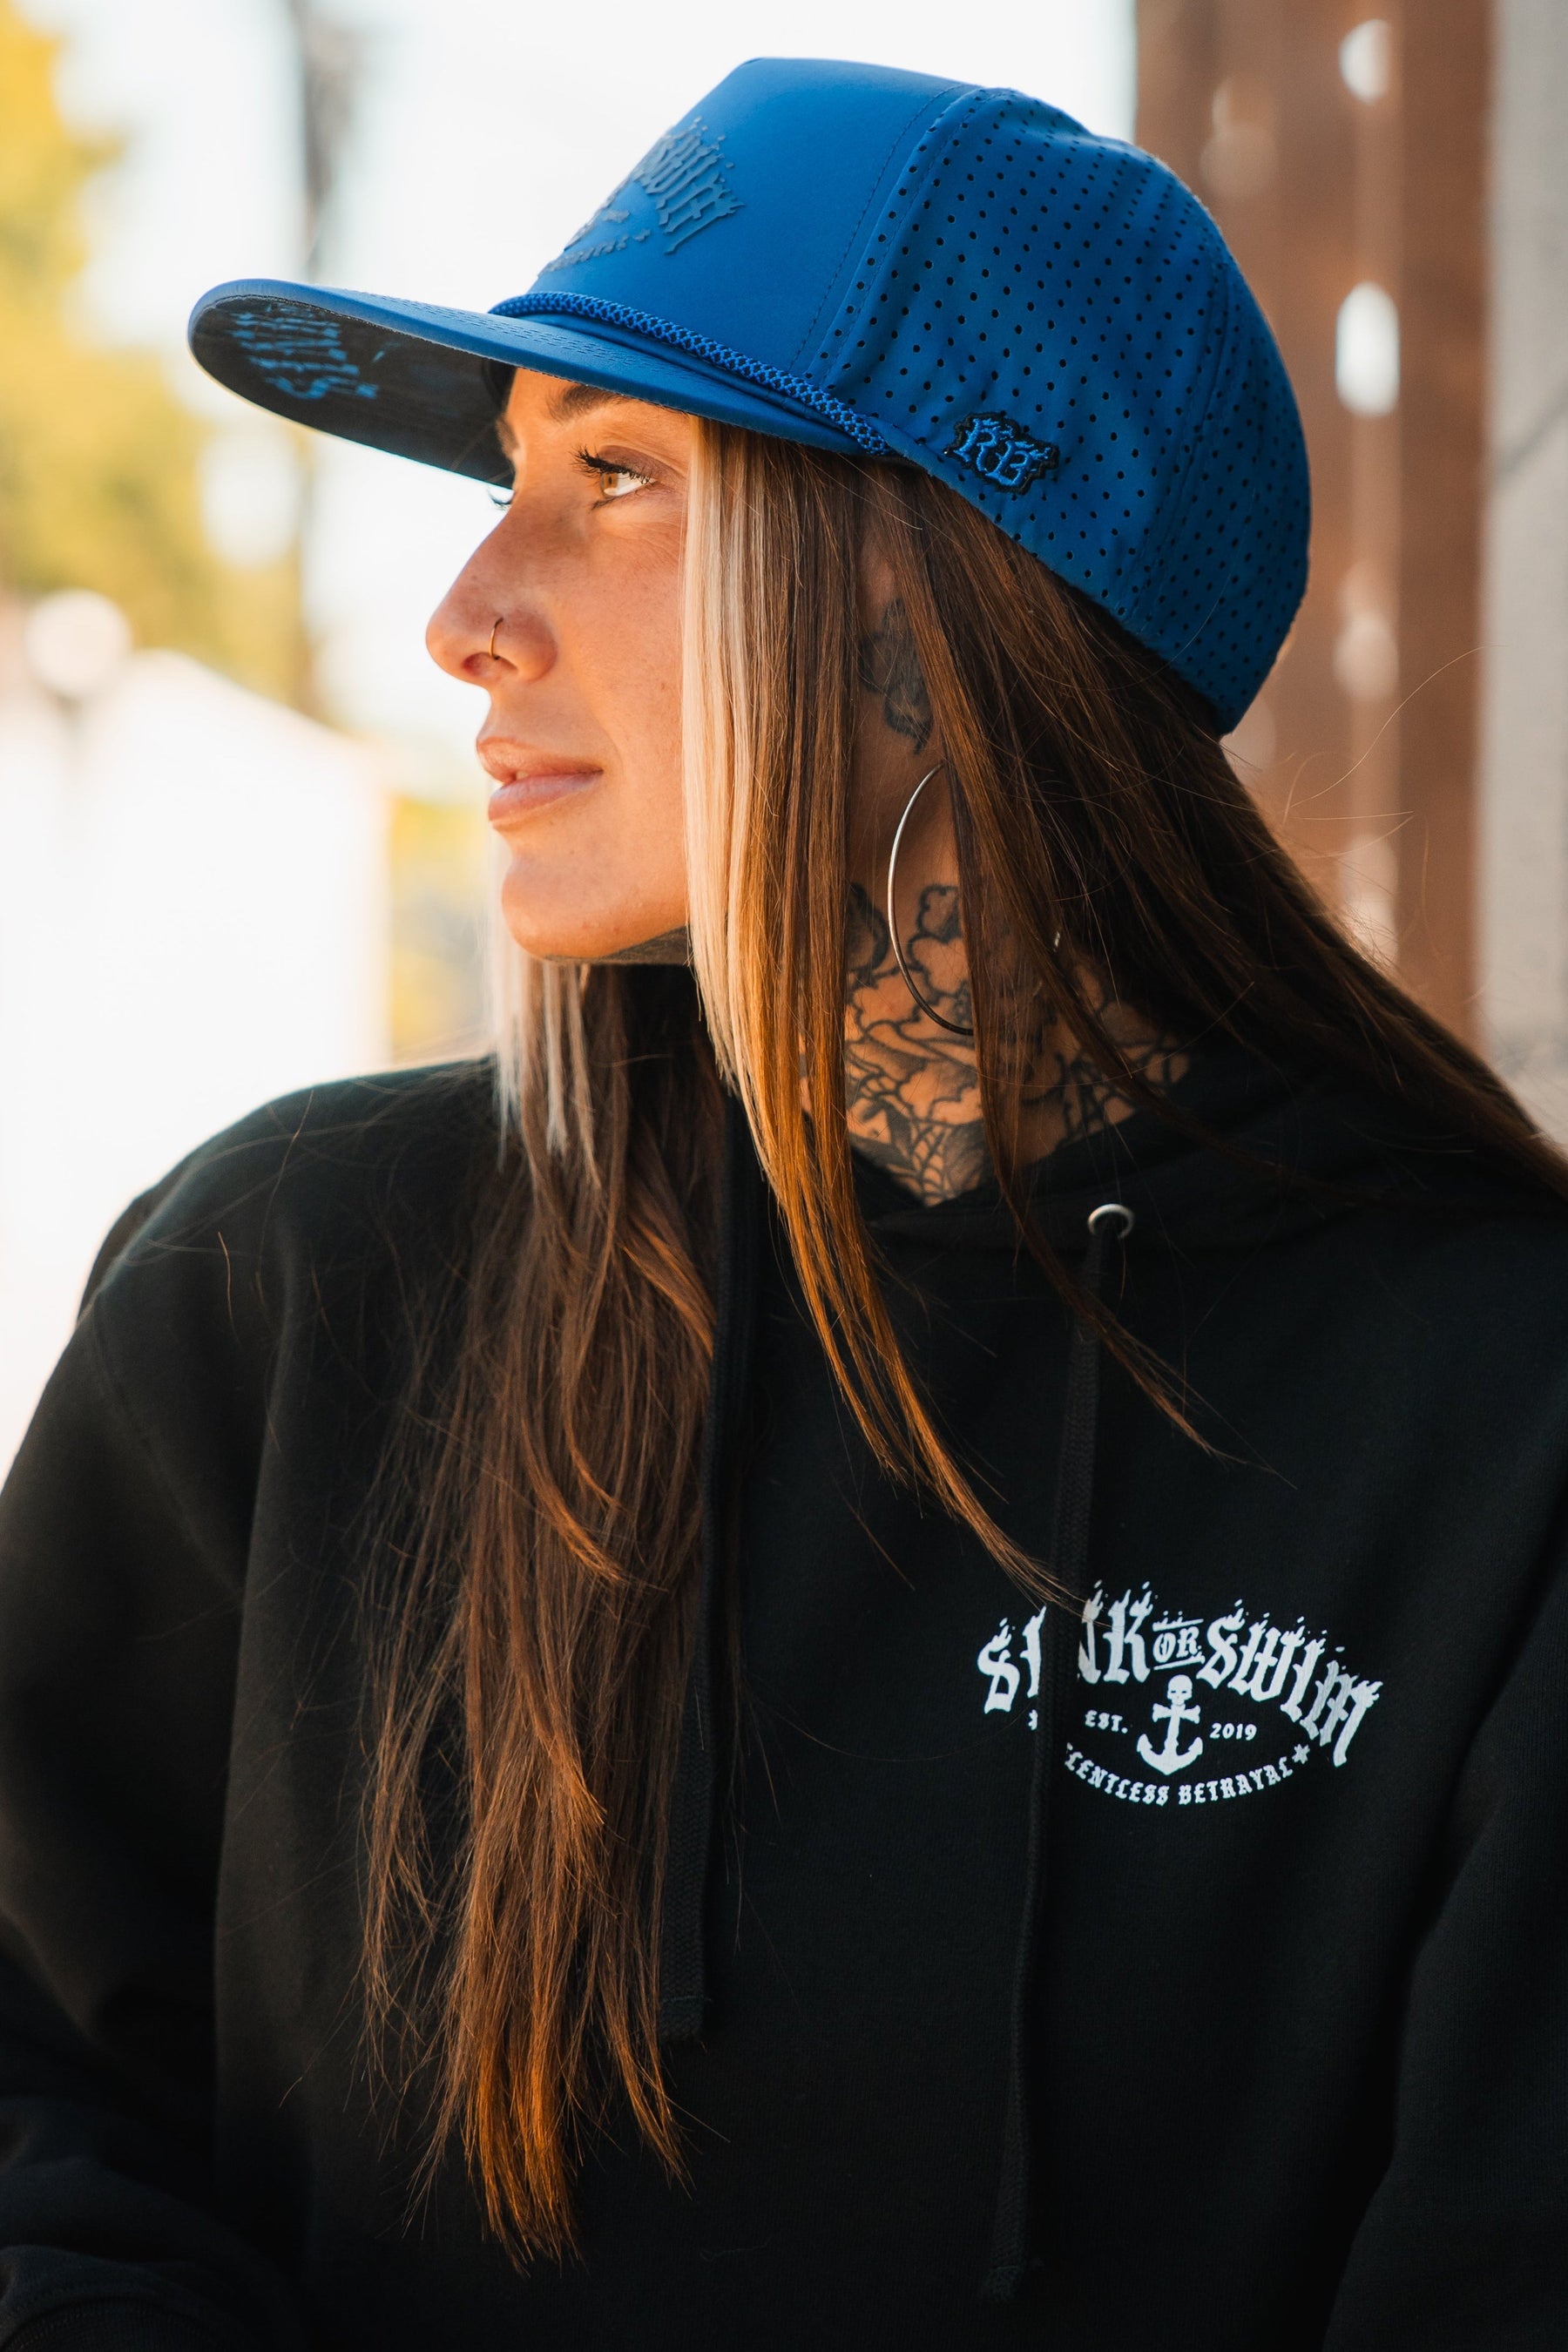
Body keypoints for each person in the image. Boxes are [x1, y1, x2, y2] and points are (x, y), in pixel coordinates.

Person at [0, 54, 1564, 2352]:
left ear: (956, 595)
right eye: (507, 472)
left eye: (612, 478)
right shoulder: (286, 1282)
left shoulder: (1496, 1413)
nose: (466, 609)